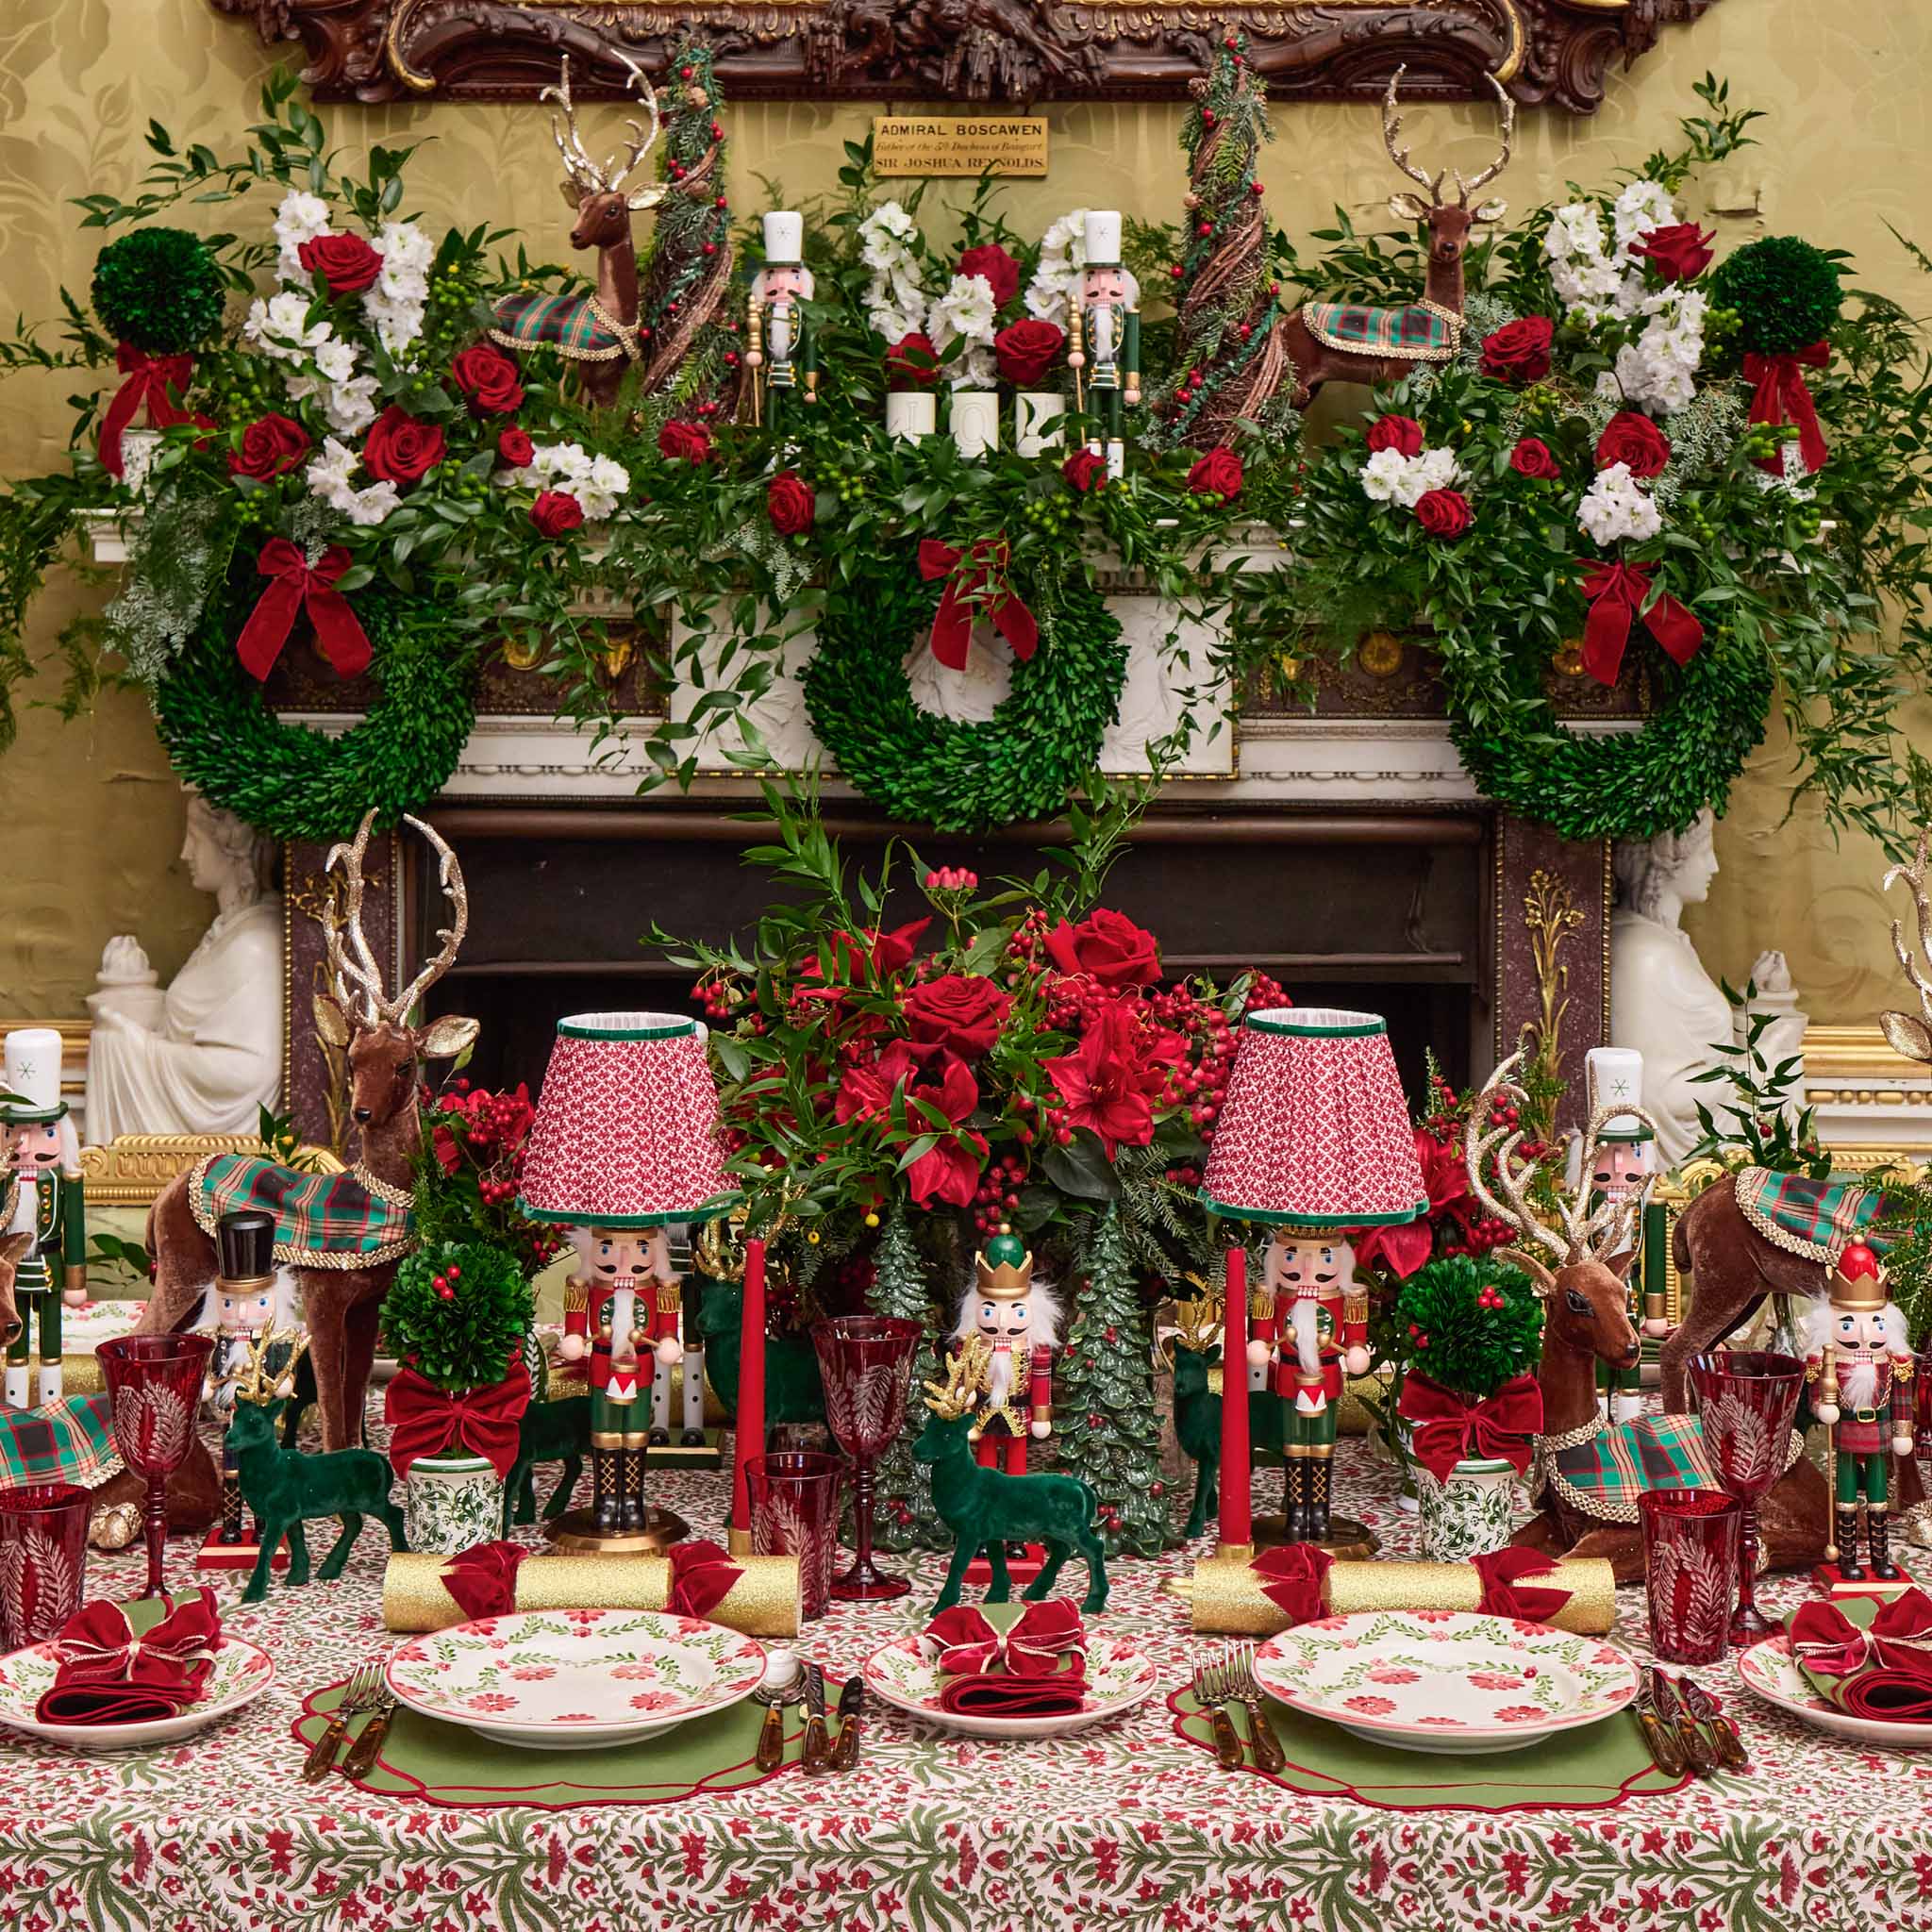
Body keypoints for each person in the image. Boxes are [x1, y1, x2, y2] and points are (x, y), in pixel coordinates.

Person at [84, 791, 283, 1144]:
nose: (184, 853)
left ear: (230, 848)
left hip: (226, 1140)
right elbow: (192, 1028)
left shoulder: (253, 945)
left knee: (110, 1040)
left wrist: (134, 1047)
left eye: (194, 839)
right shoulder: (227, 930)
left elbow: (248, 1074)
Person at [1248, 1229, 1370, 1542]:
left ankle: (1320, 1510)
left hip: (1327, 1378)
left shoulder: (1349, 1299)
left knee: (1323, 1443)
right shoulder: (1273, 1296)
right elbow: (1262, 1338)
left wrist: (1356, 1349)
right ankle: (1296, 1510)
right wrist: (1261, 1347)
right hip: (1290, 1377)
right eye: (1291, 1256)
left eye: (1323, 1257)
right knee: (1294, 1443)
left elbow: (1356, 1337)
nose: (1305, 1269)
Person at [1807, 1242, 1916, 1581]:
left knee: (1879, 1498)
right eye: (1851, 1323)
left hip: (1880, 1436)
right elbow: (1815, 1396)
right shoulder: (1827, 1362)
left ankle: (1881, 1558)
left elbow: (1901, 1400)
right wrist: (1821, 1405)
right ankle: (1848, 1558)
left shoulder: (1895, 1363)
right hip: (1846, 1436)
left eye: (1875, 1324)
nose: (1864, 1334)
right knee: (1846, 1498)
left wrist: (1903, 1432)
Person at [1, 1028, 86, 1407]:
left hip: (50, 1267)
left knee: (52, 1344)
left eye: (45, 1132)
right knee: (15, 1345)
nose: (28, 1146)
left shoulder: (64, 1180)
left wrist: (75, 1280)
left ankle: (54, 1406)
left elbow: (77, 1231)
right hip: (12, 1276)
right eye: (17, 1133)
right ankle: (15, 1406)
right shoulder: (5, 1179)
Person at [949, 1224, 1061, 1474]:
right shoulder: (972, 1346)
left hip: (1018, 1410)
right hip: (985, 1410)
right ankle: (986, 1492)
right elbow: (963, 1373)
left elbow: (1041, 1383)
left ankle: (1015, 1493)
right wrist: (965, 1399)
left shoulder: (1036, 1350)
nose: (1001, 1323)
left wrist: (1042, 1415)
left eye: (1017, 1313)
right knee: (985, 1456)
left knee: (1017, 1458)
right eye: (989, 1311)